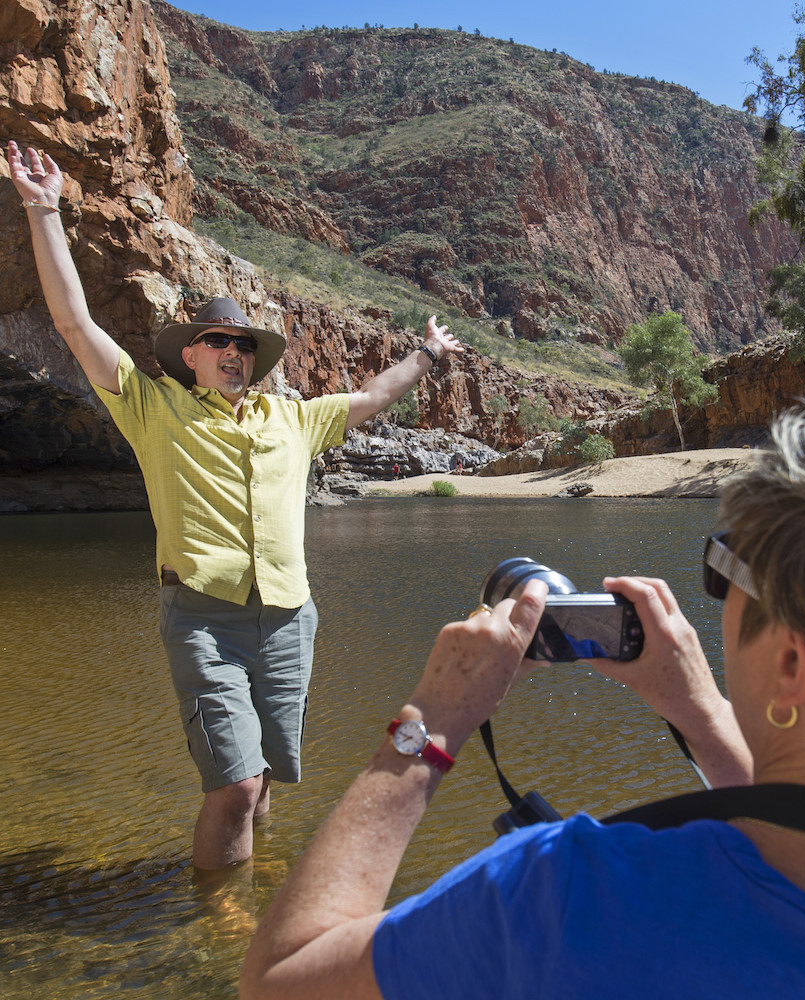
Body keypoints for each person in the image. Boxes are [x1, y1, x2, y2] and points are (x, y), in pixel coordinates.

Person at [240, 410, 805, 999]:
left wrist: (432, 721)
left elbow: (282, 979)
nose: (719, 599)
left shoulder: (568, 894)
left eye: (725, 569)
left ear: (793, 662)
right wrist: (699, 709)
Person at [7, 140, 464, 871]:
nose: (234, 352)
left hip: (289, 619)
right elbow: (74, 326)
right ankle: (220, 929)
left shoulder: (292, 419)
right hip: (203, 618)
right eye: (219, 341)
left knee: (265, 779)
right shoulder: (152, 409)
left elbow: (374, 396)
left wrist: (428, 354)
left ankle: (255, 880)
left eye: (244, 345)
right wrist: (43, 210)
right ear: (189, 354)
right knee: (236, 781)